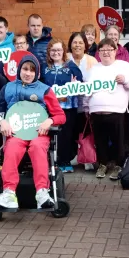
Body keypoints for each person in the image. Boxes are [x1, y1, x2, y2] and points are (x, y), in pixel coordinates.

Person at [0, 55, 66, 209]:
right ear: (19, 70)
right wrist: (1, 121)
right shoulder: (8, 88)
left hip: (39, 134)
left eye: (32, 70)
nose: (28, 73)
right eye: (25, 69)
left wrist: (50, 121)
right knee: (11, 148)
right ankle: (9, 193)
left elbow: (60, 116)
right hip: (16, 133)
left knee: (37, 147)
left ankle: (42, 192)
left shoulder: (45, 90)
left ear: (37, 73)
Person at [83, 38, 129, 179]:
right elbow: (86, 90)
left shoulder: (124, 66)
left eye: (109, 50)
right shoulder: (92, 69)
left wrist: (125, 79)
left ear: (115, 51)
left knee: (119, 141)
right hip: (96, 112)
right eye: (102, 50)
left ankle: (118, 165)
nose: (106, 53)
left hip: (117, 111)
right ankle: (102, 164)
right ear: (99, 53)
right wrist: (85, 107)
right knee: (100, 140)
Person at [41, 38, 83, 173]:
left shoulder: (71, 66)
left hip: (67, 107)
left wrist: (75, 85)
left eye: (58, 50)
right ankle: (51, 161)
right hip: (49, 108)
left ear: (63, 51)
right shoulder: (44, 68)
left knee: (66, 135)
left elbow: (80, 85)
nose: (56, 53)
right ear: (49, 52)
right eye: (53, 50)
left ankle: (65, 162)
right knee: (50, 134)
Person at [66, 32, 98, 171]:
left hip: (86, 102)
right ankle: (73, 155)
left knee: (86, 130)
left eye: (80, 42)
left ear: (85, 45)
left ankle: (87, 156)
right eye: (75, 42)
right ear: (70, 45)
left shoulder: (92, 60)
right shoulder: (65, 59)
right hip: (68, 102)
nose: (77, 45)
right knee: (71, 130)